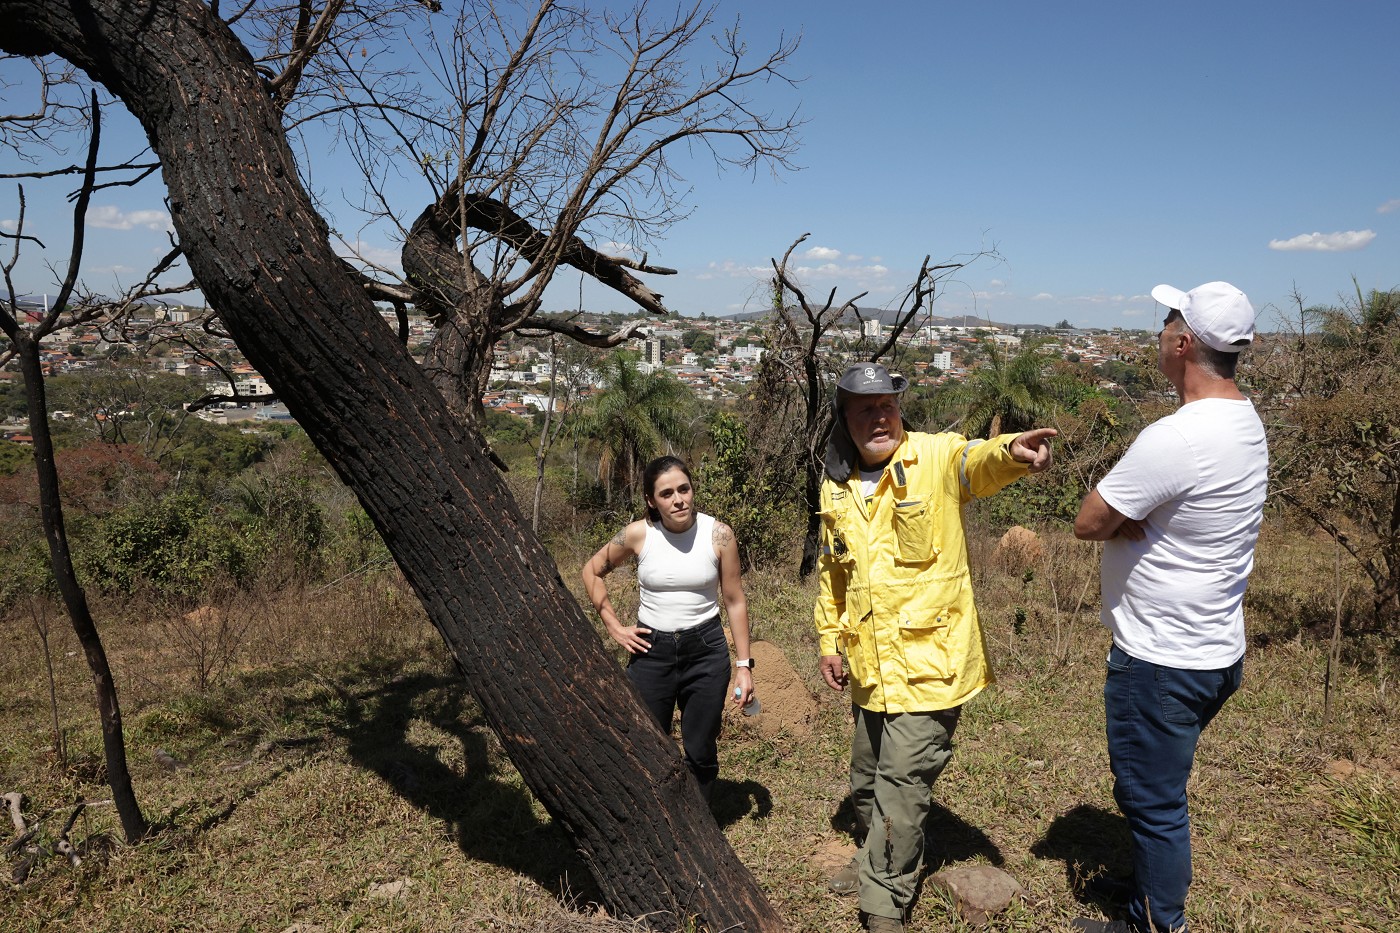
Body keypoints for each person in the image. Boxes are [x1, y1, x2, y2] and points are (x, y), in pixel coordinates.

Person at [815, 362, 1057, 933]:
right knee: (867, 778)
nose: (878, 418)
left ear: (899, 410)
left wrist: (1012, 451)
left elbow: (979, 462)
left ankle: (883, 906)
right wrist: (830, 639)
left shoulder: (936, 457)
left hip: (932, 666)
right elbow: (833, 574)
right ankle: (873, 857)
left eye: (886, 407)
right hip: (871, 668)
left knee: (902, 787)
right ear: (845, 420)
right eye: (863, 409)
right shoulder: (836, 482)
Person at [1072, 282, 1267, 933]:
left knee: (1153, 801)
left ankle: (1156, 922)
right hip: (1215, 648)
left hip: (1162, 659)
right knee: (1156, 790)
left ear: (1183, 344)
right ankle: (1147, 887)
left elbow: (1089, 520)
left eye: (1167, 320)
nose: (1158, 329)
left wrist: (1126, 517)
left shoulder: (1177, 437)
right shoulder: (1246, 420)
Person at [581, 455, 755, 804]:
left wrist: (744, 667)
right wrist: (615, 628)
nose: (678, 500)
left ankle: (701, 826)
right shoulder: (637, 534)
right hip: (651, 651)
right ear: (651, 500)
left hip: (705, 650)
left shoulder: (719, 535)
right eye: (666, 494)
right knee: (647, 742)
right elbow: (591, 571)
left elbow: (735, 600)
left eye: (684, 489)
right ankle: (656, 817)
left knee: (701, 747)